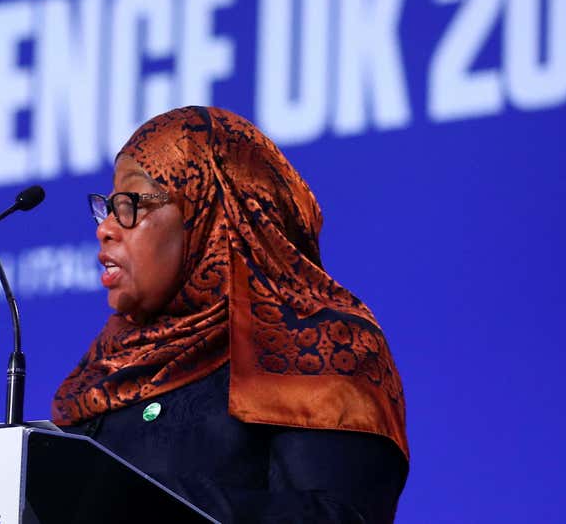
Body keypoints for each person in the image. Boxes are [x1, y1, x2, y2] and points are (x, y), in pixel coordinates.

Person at [53, 106, 408, 523]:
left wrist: (139, 500)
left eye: (130, 203)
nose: (106, 228)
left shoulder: (322, 345)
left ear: (216, 212)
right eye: (107, 207)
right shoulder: (108, 368)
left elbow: (337, 518)